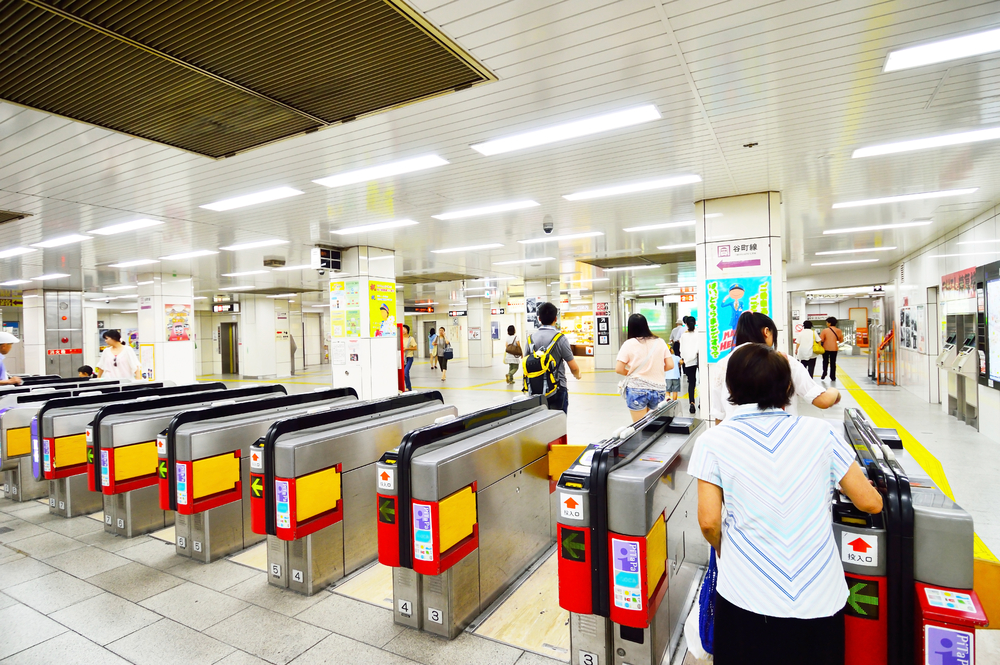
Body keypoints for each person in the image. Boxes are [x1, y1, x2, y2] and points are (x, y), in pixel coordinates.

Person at [691, 344, 883, 665]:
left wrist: (728, 552)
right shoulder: (821, 432)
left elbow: (709, 521)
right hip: (819, 596)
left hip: (745, 595)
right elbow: (869, 502)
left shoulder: (713, 442)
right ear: (787, 387)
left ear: (731, 387)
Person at [710, 312, 839, 422]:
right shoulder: (783, 361)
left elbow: (719, 415)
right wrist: (835, 392)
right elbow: (823, 401)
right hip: (781, 437)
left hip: (738, 441)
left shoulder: (723, 364)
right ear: (766, 331)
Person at [525, 301, 580, 413]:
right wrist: (577, 375)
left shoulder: (530, 339)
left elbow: (526, 361)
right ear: (555, 319)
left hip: (535, 389)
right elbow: (573, 367)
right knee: (558, 424)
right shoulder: (560, 339)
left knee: (539, 423)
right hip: (557, 388)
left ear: (539, 319)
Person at [616, 314, 673, 422]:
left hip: (636, 389)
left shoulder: (628, 344)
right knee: (656, 425)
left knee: (640, 427)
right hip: (658, 389)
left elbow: (619, 369)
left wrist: (633, 372)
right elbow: (670, 365)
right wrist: (655, 370)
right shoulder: (659, 341)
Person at [678, 316, 699, 414]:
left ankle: (692, 403)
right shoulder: (699, 334)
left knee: (691, 383)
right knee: (703, 382)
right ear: (695, 323)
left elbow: (681, 350)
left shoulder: (684, 336)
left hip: (689, 361)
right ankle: (702, 402)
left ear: (686, 324)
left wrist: (684, 358)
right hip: (699, 359)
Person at [820, 317, 844, 382]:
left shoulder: (825, 330)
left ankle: (824, 372)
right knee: (833, 362)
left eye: (827, 322)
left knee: (825, 361)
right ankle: (833, 376)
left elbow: (821, 339)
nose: (827, 324)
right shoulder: (839, 330)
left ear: (829, 323)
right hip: (834, 349)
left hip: (825, 348)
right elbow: (841, 340)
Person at [402, 324, 417, 391]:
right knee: (402, 373)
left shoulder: (411, 339)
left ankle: (408, 387)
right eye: (402, 329)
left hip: (409, 357)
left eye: (404, 329)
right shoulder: (400, 338)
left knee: (406, 371)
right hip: (401, 358)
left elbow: (415, 348)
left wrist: (407, 348)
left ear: (407, 330)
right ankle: (405, 387)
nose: (403, 330)